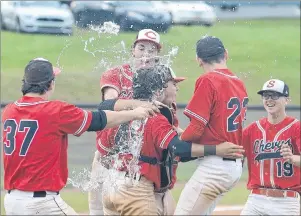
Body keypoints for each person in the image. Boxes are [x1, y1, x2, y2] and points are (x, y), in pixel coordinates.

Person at [2, 58, 158, 215]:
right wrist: (133, 113)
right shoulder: (55, 110)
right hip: (42, 203)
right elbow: (99, 120)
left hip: (12, 201)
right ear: (50, 84)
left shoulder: (9, 110)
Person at [98, 65, 245, 216]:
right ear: (158, 91)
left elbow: (103, 145)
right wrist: (216, 150)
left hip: (111, 186)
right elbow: (177, 148)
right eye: (173, 84)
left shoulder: (121, 112)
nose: (176, 89)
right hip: (136, 189)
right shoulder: (154, 117)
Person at [88, 28, 171, 215]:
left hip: (138, 162)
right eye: (141, 48)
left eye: (152, 50)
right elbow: (106, 104)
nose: (146, 54)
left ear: (158, 55)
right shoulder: (117, 73)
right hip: (107, 155)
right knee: (97, 211)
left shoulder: (159, 79)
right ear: (132, 49)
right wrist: (138, 105)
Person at [174, 36, 249, 215]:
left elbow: (197, 128)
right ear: (225, 54)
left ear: (199, 60)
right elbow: (216, 128)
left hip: (216, 167)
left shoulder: (208, 80)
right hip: (232, 166)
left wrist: (178, 143)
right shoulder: (239, 82)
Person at [241, 79, 300, 215]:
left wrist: (292, 158)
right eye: (266, 96)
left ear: (286, 100)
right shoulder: (253, 129)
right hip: (256, 200)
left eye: (274, 95)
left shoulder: (296, 127)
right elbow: (233, 150)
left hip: (287, 202)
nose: (269, 100)